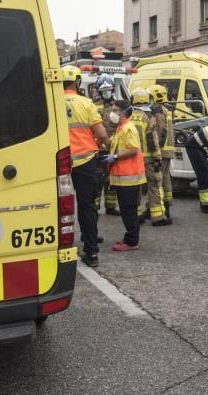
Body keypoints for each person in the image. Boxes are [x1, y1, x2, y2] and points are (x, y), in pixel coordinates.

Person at [62, 66, 109, 268]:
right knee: (87, 206)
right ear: (77, 82)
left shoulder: (51, 102)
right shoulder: (86, 103)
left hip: (59, 162)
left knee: (57, 205)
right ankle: (91, 252)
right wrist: (106, 145)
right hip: (86, 161)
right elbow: (102, 135)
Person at [104, 99, 145, 252]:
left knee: (129, 211)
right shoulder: (120, 128)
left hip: (130, 178)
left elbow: (133, 149)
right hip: (124, 178)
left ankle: (132, 241)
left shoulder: (128, 128)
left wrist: (114, 157)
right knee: (127, 210)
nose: (112, 113)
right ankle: (130, 238)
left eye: (115, 110)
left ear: (123, 112)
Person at [131, 88, 171, 226]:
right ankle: (158, 217)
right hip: (148, 159)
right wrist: (157, 157)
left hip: (133, 159)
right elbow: (152, 139)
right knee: (154, 186)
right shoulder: (148, 118)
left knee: (135, 189)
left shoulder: (130, 118)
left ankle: (135, 215)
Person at [92, 74, 120, 216]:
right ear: (98, 90)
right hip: (98, 149)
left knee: (111, 179)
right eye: (103, 90)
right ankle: (95, 206)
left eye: (108, 89)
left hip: (113, 148)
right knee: (97, 180)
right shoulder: (94, 107)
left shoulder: (117, 106)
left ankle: (110, 206)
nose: (106, 92)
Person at [184, 120, 208, 213]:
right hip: (195, 147)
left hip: (197, 145)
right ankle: (206, 206)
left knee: (206, 174)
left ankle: (207, 202)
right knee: (204, 175)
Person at [150, 84, 176, 217]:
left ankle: (160, 208)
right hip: (169, 149)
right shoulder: (167, 109)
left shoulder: (158, 110)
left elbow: (160, 131)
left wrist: (156, 149)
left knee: (158, 180)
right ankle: (166, 205)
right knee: (165, 177)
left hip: (162, 150)